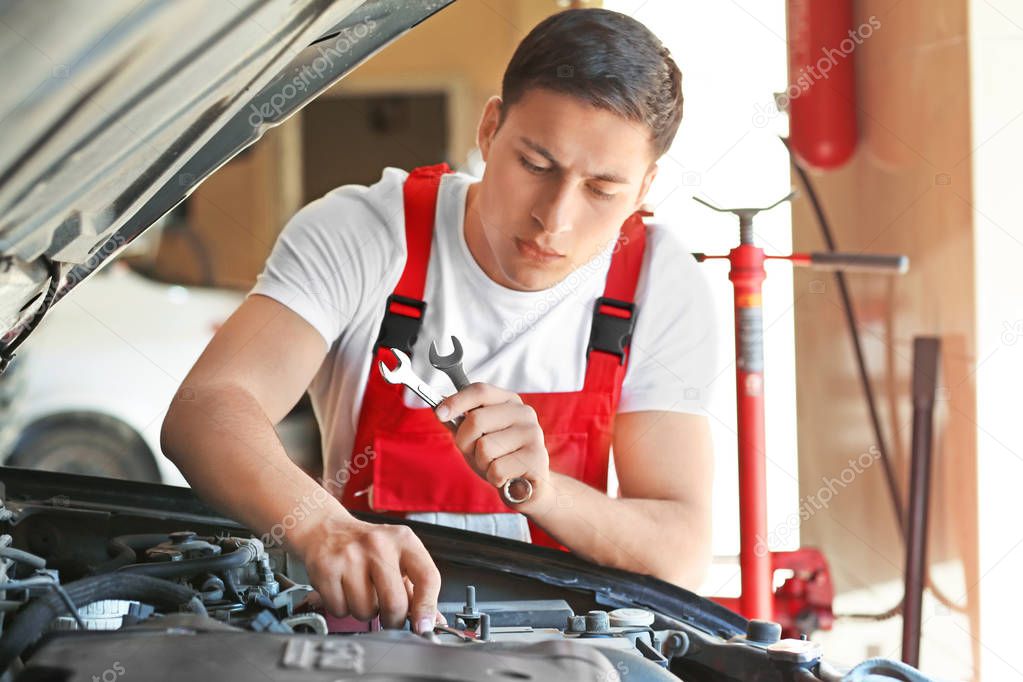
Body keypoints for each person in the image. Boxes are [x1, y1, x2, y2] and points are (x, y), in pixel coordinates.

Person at [161, 8, 716, 637]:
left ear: (645, 188)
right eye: (536, 165)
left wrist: (544, 491)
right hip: (368, 640)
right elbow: (205, 411)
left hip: (558, 657)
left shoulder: (655, 282)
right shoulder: (365, 233)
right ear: (489, 129)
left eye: (602, 190)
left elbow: (680, 552)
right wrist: (322, 526)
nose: (554, 220)